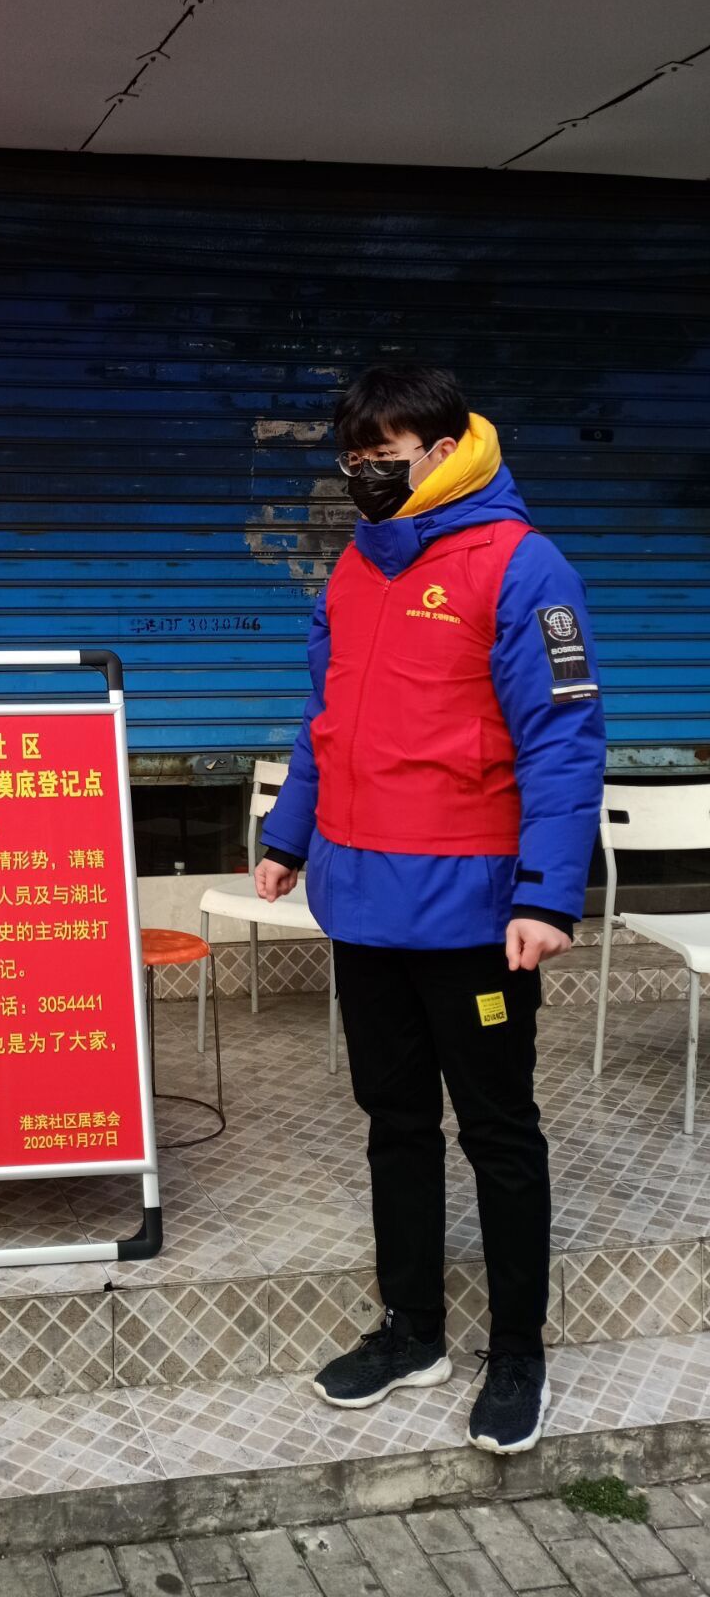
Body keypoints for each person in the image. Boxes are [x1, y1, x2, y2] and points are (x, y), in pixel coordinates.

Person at [255, 363, 605, 1456]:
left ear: (447, 451)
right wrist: (288, 835)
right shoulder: (356, 566)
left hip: (474, 911)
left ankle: (518, 1351)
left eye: (386, 458)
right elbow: (326, 716)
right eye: (353, 459)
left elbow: (564, 736)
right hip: (362, 900)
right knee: (395, 1124)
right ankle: (413, 1330)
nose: (365, 476)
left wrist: (550, 893)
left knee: (498, 1131)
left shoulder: (524, 565)